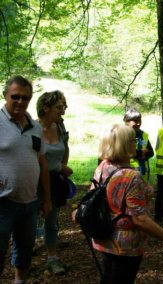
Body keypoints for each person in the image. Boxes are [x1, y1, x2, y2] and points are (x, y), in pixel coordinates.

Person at [73, 124, 163, 283]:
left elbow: (91, 196)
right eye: (133, 141)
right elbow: (139, 219)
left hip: (104, 237)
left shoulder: (103, 166)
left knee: (109, 277)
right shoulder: (131, 177)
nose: (137, 144)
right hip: (125, 246)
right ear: (124, 145)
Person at [0, 76, 52, 283]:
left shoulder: (36, 127)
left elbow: (42, 163)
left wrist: (47, 198)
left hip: (30, 203)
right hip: (2, 202)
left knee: (24, 253)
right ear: (5, 95)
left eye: (26, 98)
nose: (20, 101)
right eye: (15, 97)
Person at [36, 90, 73, 274]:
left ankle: (52, 259)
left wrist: (61, 166)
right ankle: (23, 259)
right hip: (33, 182)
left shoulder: (60, 128)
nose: (63, 111)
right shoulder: (32, 129)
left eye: (64, 107)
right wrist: (58, 167)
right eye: (59, 107)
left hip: (54, 182)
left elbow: (64, 151)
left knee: (51, 222)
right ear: (45, 107)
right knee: (27, 221)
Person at [123, 108, 154, 180]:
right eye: (135, 121)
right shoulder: (122, 135)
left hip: (143, 173)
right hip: (127, 174)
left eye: (140, 120)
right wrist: (141, 153)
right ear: (126, 121)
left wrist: (140, 154)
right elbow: (122, 152)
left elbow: (151, 152)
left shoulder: (143, 135)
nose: (138, 123)